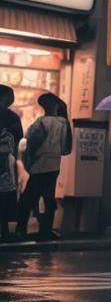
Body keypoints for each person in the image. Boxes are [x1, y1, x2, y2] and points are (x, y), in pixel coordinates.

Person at [18, 93, 71, 241]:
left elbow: (31, 144)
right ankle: (46, 230)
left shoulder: (40, 123)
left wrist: (29, 162)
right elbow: (66, 149)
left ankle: (21, 229)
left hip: (39, 165)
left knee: (27, 198)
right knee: (48, 198)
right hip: (54, 165)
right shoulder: (63, 122)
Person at [0, 86, 23, 241]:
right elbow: (19, 138)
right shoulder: (12, 117)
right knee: (5, 195)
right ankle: (5, 231)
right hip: (5, 161)